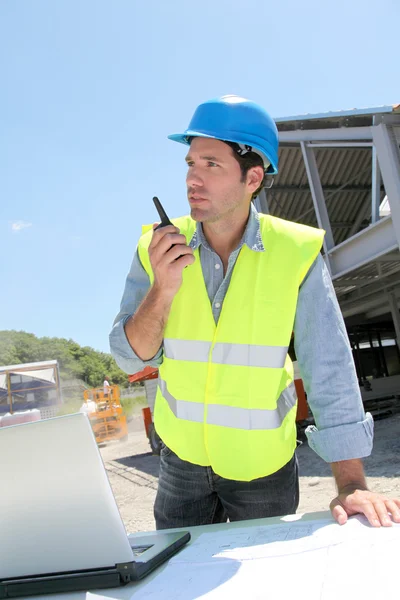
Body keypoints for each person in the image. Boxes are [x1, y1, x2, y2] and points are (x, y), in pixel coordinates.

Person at [110, 95, 400, 530]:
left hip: (264, 465)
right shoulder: (155, 247)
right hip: (181, 462)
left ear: (253, 177)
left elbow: (328, 366)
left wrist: (350, 482)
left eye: (211, 165)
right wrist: (163, 288)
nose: (193, 178)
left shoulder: (297, 251)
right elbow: (131, 358)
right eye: (190, 163)